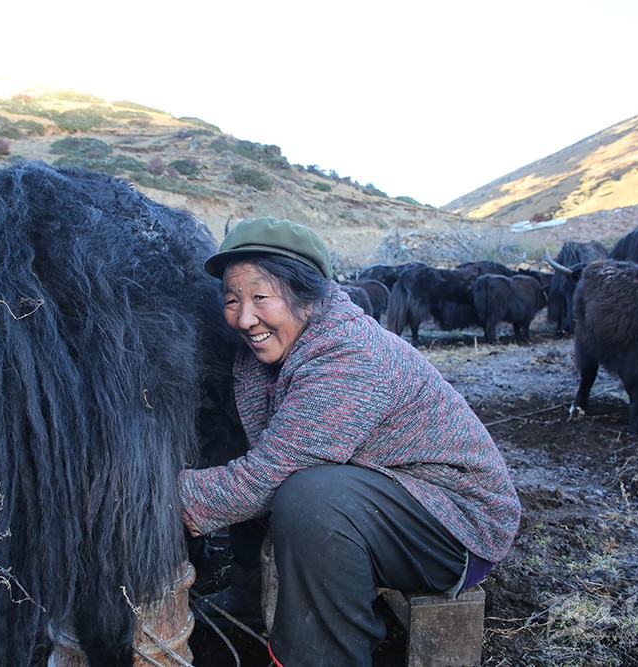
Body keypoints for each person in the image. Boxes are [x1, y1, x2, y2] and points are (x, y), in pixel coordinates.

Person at [177, 217, 521, 666]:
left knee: (311, 497)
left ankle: (328, 655)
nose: (244, 317)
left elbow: (265, 478)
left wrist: (156, 501)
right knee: (262, 462)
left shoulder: (349, 357)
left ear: (308, 295)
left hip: (455, 522)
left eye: (261, 297)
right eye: (231, 299)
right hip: (386, 492)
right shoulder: (270, 352)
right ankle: (248, 593)